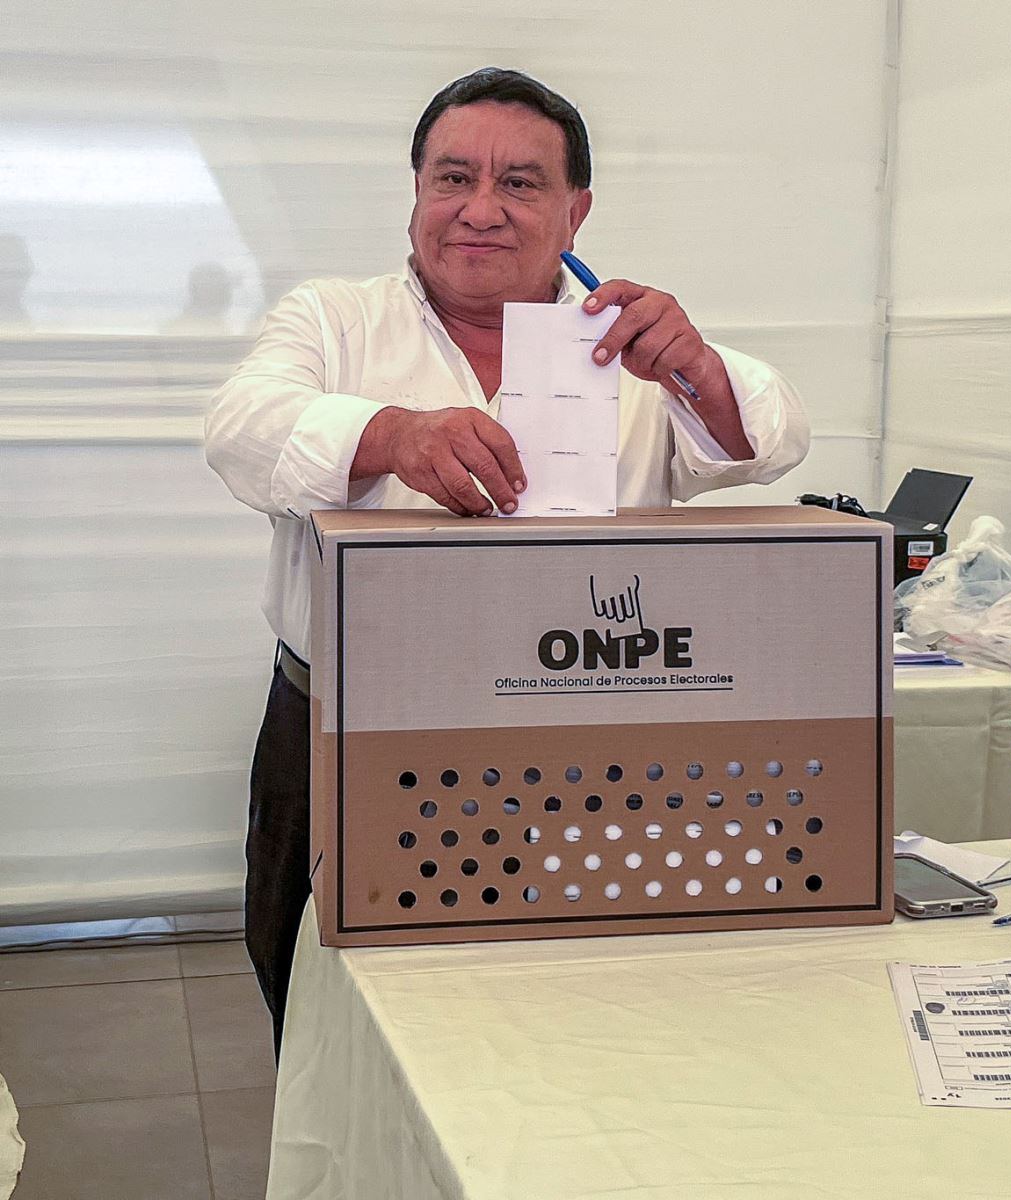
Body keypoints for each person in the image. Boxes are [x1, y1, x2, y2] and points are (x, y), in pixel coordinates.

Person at [203, 68, 810, 1047]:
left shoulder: (629, 343)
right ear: (416, 197)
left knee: (566, 1011)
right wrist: (392, 435)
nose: (479, 210)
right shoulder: (337, 320)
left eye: (519, 184)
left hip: (586, 739)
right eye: (453, 179)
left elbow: (773, 434)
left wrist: (700, 367)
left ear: (576, 211)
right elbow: (239, 429)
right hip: (346, 734)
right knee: (334, 1018)